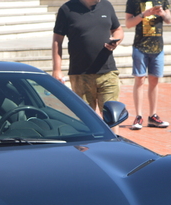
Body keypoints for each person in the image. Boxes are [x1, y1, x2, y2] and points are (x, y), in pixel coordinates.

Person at [52, 0, 124, 133]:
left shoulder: (106, 5)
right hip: (80, 75)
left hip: (108, 72)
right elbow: (57, 39)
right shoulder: (67, 9)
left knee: (112, 118)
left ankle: (112, 148)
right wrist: (57, 70)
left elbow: (118, 29)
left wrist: (116, 40)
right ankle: (86, 151)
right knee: (84, 121)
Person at [125, 0, 171, 130]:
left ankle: (153, 116)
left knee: (154, 80)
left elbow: (169, 20)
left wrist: (162, 13)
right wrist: (143, 14)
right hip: (140, 46)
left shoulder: (162, 1)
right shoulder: (133, 1)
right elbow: (128, 23)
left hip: (158, 47)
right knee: (139, 79)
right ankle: (138, 116)